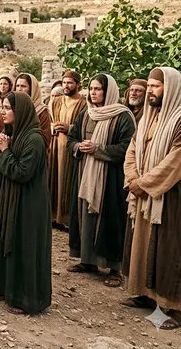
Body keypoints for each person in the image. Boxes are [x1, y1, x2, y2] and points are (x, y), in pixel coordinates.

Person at [121, 67, 181, 330]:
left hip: (169, 197)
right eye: (151, 86)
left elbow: (175, 160)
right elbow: (133, 149)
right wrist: (134, 178)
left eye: (156, 87)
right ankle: (145, 293)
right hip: (144, 192)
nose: (151, 91)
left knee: (169, 249)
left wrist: (144, 184)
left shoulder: (178, 120)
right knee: (144, 244)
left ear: (171, 89)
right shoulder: (147, 117)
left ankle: (175, 308)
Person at [67, 74, 136, 287]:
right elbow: (72, 138)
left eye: (98, 89)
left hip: (110, 177)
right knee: (85, 216)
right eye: (92, 88)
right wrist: (79, 147)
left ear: (109, 92)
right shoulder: (86, 114)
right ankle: (88, 260)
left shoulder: (123, 117)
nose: (93, 92)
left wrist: (99, 150)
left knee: (110, 219)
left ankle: (115, 268)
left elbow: (127, 147)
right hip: (85, 172)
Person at [0, 92, 52, 315]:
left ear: (21, 111)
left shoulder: (34, 139)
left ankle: (26, 298)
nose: (2, 112)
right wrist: (1, 150)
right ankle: (6, 288)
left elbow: (22, 172)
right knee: (8, 240)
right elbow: (0, 168)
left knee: (25, 246)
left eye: (7, 108)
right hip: (10, 199)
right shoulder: (12, 133)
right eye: (2, 107)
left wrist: (5, 151)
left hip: (28, 203)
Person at [48, 71, 87, 227]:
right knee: (54, 179)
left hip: (71, 150)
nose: (66, 86)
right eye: (64, 82)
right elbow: (47, 122)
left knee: (68, 181)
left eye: (70, 83)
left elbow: (86, 127)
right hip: (55, 147)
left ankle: (67, 219)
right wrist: (53, 127)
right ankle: (53, 217)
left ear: (78, 84)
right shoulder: (55, 102)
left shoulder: (84, 104)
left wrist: (69, 128)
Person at [14, 73, 53, 149]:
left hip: (32, 151)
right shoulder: (11, 107)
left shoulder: (41, 110)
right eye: (17, 86)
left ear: (32, 89)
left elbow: (46, 137)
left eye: (23, 86)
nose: (19, 89)